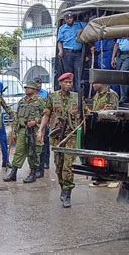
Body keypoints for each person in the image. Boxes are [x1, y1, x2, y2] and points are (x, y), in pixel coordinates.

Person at [37, 72, 81, 208]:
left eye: (70, 82)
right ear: (60, 83)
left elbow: (84, 114)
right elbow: (46, 114)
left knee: (68, 165)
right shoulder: (52, 96)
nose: (68, 85)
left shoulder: (77, 98)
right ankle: (63, 186)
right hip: (57, 136)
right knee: (59, 165)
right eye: (66, 82)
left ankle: (68, 193)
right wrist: (41, 130)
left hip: (71, 135)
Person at [3, 81, 45, 183]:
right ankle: (13, 173)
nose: (26, 89)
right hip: (22, 129)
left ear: (34, 89)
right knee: (18, 151)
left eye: (28, 88)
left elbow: (46, 116)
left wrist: (35, 121)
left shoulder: (40, 101)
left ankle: (33, 173)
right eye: (25, 88)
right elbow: (17, 117)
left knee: (33, 152)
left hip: (34, 130)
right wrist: (14, 132)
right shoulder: (22, 101)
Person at [57, 12, 86, 92]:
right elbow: (59, 41)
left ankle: (78, 93)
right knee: (68, 74)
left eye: (70, 18)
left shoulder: (80, 25)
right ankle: (70, 92)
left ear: (73, 18)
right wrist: (60, 51)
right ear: (65, 19)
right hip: (67, 52)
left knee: (78, 73)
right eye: (67, 18)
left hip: (78, 52)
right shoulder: (62, 28)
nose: (69, 20)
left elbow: (89, 27)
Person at [34, 77, 50, 178]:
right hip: (34, 123)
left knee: (45, 144)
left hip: (44, 122)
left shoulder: (45, 94)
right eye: (37, 84)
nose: (39, 85)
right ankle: (36, 165)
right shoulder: (32, 93)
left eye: (40, 84)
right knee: (35, 145)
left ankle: (45, 162)